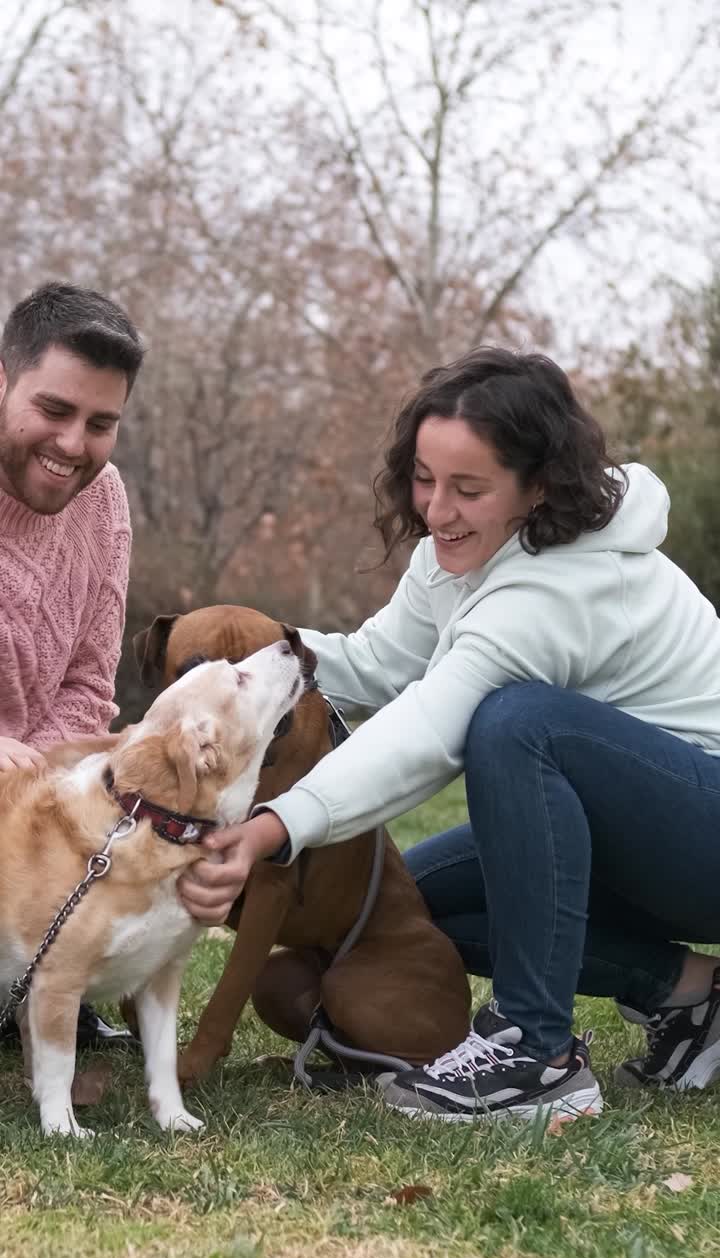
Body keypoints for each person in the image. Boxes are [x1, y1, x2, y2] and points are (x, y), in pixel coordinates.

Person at [179, 346, 720, 1124]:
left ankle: (538, 1054)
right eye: (424, 479)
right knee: (411, 909)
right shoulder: (462, 552)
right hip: (636, 834)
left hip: (700, 835)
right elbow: (374, 663)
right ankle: (691, 996)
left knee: (518, 724)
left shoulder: (563, 586)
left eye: (469, 489)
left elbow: (432, 726)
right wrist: (261, 655)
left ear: (537, 488)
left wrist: (276, 825)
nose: (435, 511)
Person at [0, 279, 145, 1049]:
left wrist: (34, 782)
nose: (72, 445)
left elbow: (92, 682)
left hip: (34, 801)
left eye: (100, 423)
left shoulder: (105, 501)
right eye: (53, 411)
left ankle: (40, 979)